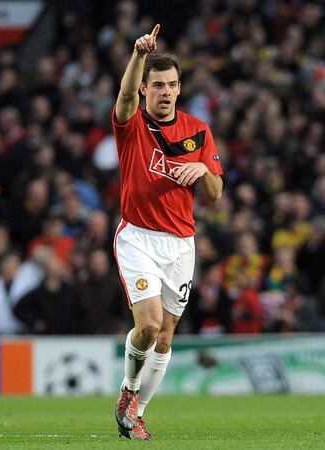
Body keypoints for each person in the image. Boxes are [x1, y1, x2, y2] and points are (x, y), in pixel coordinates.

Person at [111, 24, 223, 440]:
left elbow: (215, 192)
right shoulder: (132, 124)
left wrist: (204, 170)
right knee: (150, 324)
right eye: (157, 85)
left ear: (180, 88)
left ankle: (136, 412)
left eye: (172, 85)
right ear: (144, 88)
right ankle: (129, 388)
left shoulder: (198, 131)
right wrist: (138, 54)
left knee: (166, 335)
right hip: (138, 237)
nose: (166, 92)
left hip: (181, 244)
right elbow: (124, 98)